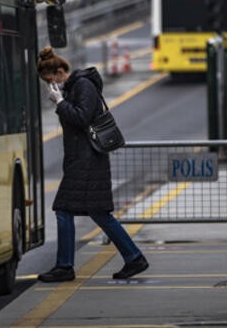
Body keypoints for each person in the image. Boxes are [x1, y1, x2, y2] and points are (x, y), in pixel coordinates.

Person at [36, 46, 148, 282]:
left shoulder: (83, 85)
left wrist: (59, 102)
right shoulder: (76, 86)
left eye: (51, 80)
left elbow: (81, 118)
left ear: (59, 71)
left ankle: (65, 266)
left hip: (87, 160)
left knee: (64, 209)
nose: (52, 86)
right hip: (84, 159)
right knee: (98, 212)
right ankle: (133, 257)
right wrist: (62, 100)